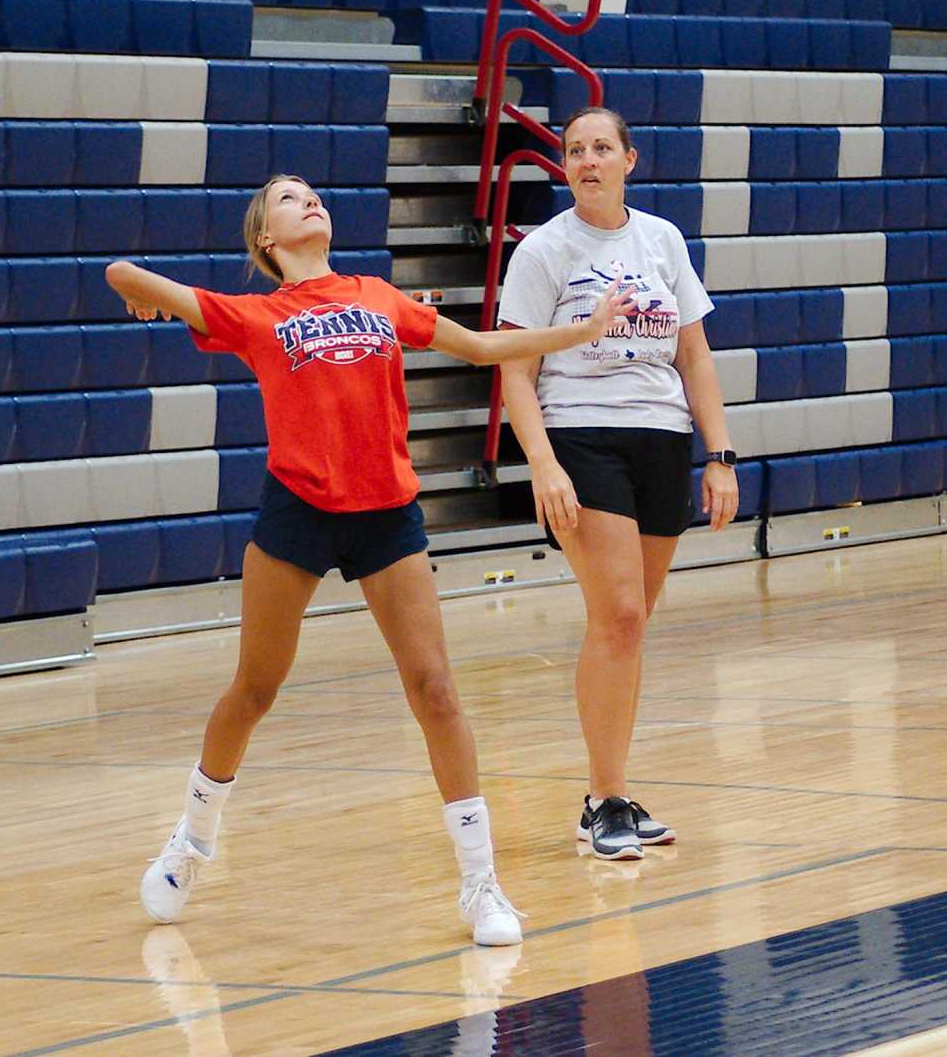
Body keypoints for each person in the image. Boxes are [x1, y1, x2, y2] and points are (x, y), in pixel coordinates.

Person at [108, 173, 635, 945]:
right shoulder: (256, 314)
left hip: (386, 512)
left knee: (437, 689)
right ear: (266, 238)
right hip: (298, 512)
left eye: (314, 194)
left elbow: (485, 347)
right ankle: (191, 841)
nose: (310, 201)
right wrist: (147, 293)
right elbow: (121, 272)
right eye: (289, 199)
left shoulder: (381, 296)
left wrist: (580, 333)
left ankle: (481, 883)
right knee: (255, 687)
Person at [496, 106, 740, 862]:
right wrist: (542, 462)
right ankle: (603, 798)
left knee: (629, 630)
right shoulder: (542, 251)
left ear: (629, 159)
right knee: (621, 614)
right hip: (581, 437)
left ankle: (613, 791)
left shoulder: (663, 240)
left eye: (602, 147)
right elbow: (514, 368)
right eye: (575, 150)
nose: (588, 160)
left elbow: (694, 354)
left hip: (662, 440)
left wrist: (720, 453)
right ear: (564, 166)